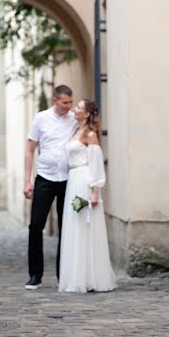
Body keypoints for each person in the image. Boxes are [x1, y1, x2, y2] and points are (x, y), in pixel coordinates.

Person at [58, 99, 116, 293]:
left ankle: (89, 277)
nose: (75, 109)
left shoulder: (90, 135)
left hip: (84, 180)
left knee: (84, 224)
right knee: (74, 225)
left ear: (88, 114)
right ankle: (76, 275)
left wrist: (95, 190)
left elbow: (96, 162)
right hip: (72, 179)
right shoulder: (76, 131)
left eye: (79, 108)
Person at [24, 84, 78, 290]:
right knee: (36, 225)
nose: (68, 106)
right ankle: (35, 275)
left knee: (67, 226)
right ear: (55, 100)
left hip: (67, 179)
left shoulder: (74, 119)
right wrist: (27, 181)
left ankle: (62, 274)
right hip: (44, 178)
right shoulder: (41, 118)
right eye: (65, 102)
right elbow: (30, 150)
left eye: (70, 102)